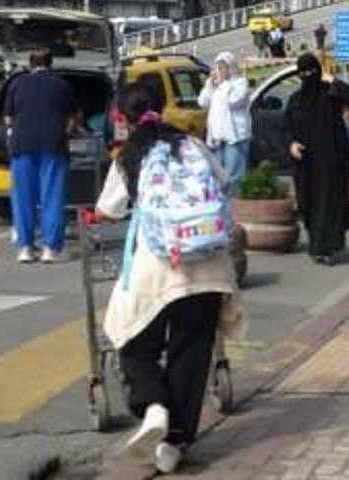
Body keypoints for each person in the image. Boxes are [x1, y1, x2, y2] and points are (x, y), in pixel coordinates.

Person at [90, 78, 244, 474]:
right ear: (163, 105)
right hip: (209, 264)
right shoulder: (191, 145)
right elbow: (223, 184)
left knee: (132, 340)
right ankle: (174, 443)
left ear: (122, 118)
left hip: (159, 267)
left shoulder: (130, 155)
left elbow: (109, 207)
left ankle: (153, 405)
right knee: (191, 353)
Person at [5, 49, 79, 264]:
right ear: (51, 64)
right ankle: (50, 249)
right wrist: (67, 131)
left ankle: (25, 248)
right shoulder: (61, 85)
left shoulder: (17, 83)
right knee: (52, 197)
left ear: (30, 65)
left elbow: (8, 119)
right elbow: (74, 116)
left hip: (22, 145)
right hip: (52, 144)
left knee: (23, 198)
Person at [285, 53, 349, 265]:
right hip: (306, 164)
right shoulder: (295, 100)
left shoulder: (330, 94)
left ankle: (326, 248)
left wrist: (330, 79)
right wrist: (291, 144)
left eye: (312, 72)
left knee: (329, 204)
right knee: (309, 204)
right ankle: (317, 245)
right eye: (303, 73)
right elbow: (285, 128)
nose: (308, 76)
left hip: (331, 161)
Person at [199, 51, 251, 193]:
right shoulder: (216, 86)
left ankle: (234, 206)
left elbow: (234, 101)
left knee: (233, 176)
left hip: (234, 137)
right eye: (217, 68)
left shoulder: (240, 83)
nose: (218, 71)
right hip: (216, 137)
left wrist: (224, 83)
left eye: (222, 67)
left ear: (230, 68)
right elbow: (202, 102)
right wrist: (209, 85)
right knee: (218, 175)